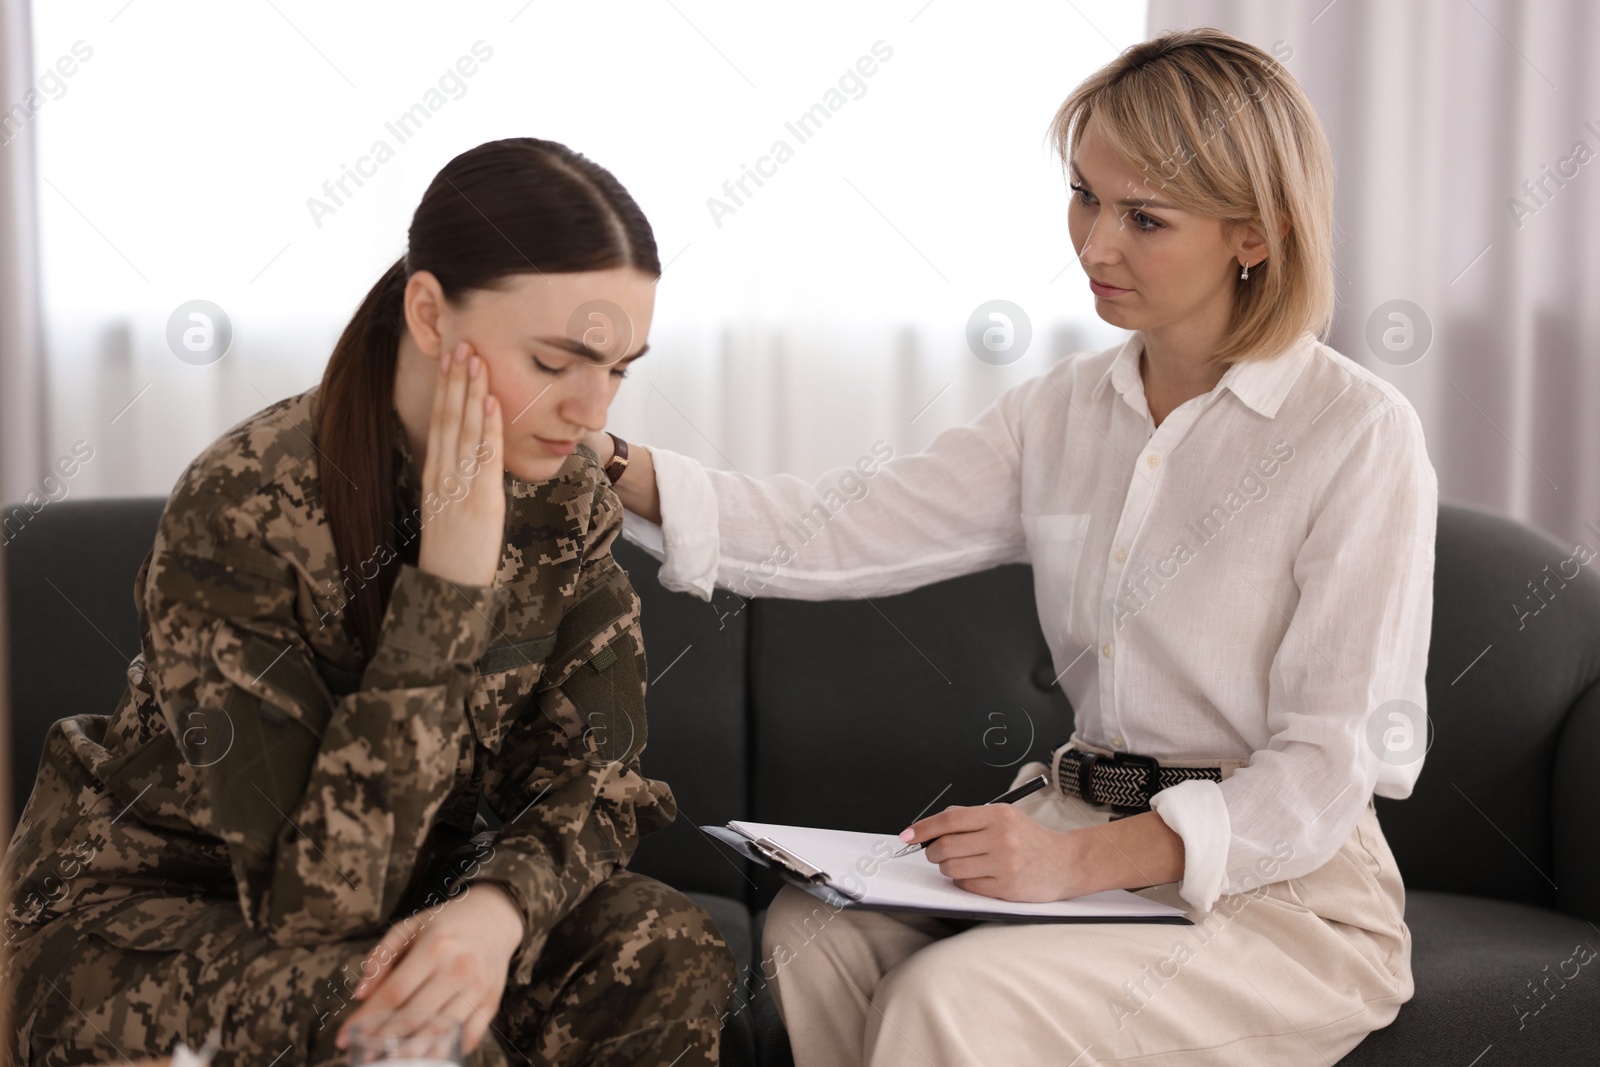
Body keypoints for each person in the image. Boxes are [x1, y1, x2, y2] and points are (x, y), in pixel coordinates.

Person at [588, 27, 1437, 1067]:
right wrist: (602, 458)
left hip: (1278, 902)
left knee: (957, 999)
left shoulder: (1358, 433)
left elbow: (1326, 764)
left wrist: (1066, 865)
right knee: (814, 937)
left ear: (1253, 234)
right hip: (1083, 837)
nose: (1093, 244)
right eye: (1083, 195)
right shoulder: (1061, 412)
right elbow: (840, 529)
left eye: (1144, 218)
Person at [1, 138, 735, 1067]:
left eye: (621, 367)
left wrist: (494, 908)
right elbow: (317, 907)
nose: (594, 411)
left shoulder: (565, 495)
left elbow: (599, 779)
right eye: (557, 361)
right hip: (155, 923)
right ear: (428, 313)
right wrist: (449, 595)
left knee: (665, 947)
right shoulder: (243, 504)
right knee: (417, 1024)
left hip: (411, 902)